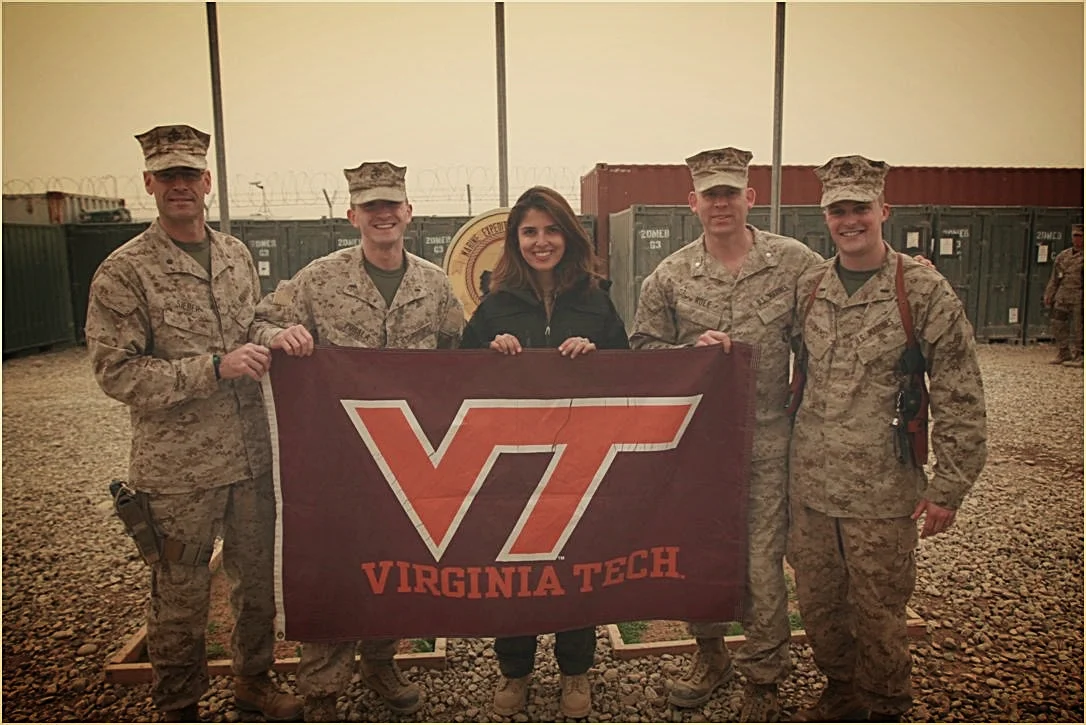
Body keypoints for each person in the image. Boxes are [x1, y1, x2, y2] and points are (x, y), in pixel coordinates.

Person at [84, 125, 302, 722]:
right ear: (149, 183)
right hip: (179, 470)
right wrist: (212, 368)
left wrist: (272, 333)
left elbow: (250, 321)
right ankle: (178, 703)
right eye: (167, 175)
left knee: (256, 586)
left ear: (207, 182)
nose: (179, 185)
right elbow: (116, 372)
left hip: (252, 457)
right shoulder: (125, 271)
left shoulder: (234, 254)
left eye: (189, 174)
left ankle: (253, 683)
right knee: (180, 596)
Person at [249, 160, 464, 722]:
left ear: (409, 213)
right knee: (334, 565)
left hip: (408, 455)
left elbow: (458, 353)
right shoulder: (319, 279)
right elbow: (259, 324)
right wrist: (281, 333)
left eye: (391, 204)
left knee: (395, 561)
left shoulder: (433, 284)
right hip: (337, 456)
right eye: (371, 207)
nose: (382, 215)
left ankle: (380, 662)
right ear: (352, 216)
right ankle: (322, 687)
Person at [788, 155, 988, 722]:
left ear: (884, 211)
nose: (850, 220)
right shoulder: (810, 287)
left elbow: (959, 391)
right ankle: (840, 691)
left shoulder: (921, 290)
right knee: (820, 606)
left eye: (861, 208)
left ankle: (883, 705)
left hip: (881, 492)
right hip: (810, 487)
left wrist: (949, 486)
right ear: (826, 217)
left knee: (879, 611)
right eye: (838, 210)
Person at [629, 147, 822, 722]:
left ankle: (764, 678)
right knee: (702, 554)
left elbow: (844, 305)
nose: (720, 204)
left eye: (730, 193)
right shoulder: (670, 275)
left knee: (762, 564)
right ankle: (710, 657)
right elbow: (642, 349)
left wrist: (909, 271)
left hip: (767, 441)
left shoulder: (794, 263)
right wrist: (689, 349)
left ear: (749, 198)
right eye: (710, 194)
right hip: (700, 448)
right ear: (693, 202)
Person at [459, 185, 629, 719]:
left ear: (569, 236)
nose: (541, 241)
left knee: (576, 568)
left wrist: (596, 356)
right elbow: (458, 377)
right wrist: (490, 352)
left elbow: (630, 372)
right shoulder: (495, 304)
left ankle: (575, 670)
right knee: (514, 571)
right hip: (513, 466)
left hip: (579, 464)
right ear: (515, 240)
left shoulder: (597, 299)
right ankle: (515, 670)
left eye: (552, 230)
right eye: (529, 231)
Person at [1043, 223, 1084, 366]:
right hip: (1063, 295)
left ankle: (1080, 355)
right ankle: (1063, 352)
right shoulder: (1063, 256)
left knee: (1079, 327)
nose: (1077, 239)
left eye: (1080, 236)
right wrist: (1049, 294)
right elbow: (1055, 278)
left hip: (1079, 297)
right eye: (1075, 236)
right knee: (1058, 323)